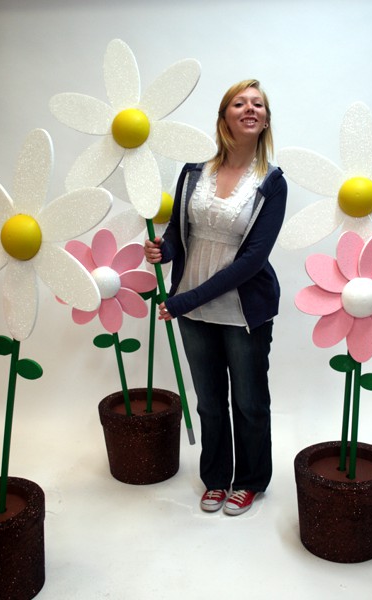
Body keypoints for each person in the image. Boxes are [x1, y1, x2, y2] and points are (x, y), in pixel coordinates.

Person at [145, 79, 287, 516]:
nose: (250, 109)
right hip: (192, 308)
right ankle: (215, 479)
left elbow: (251, 260)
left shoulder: (272, 182)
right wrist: (163, 250)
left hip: (243, 310)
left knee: (248, 401)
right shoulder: (192, 172)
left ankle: (248, 481)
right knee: (208, 400)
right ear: (225, 115)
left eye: (258, 104)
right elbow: (178, 234)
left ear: (265, 120)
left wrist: (185, 300)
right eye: (239, 103)